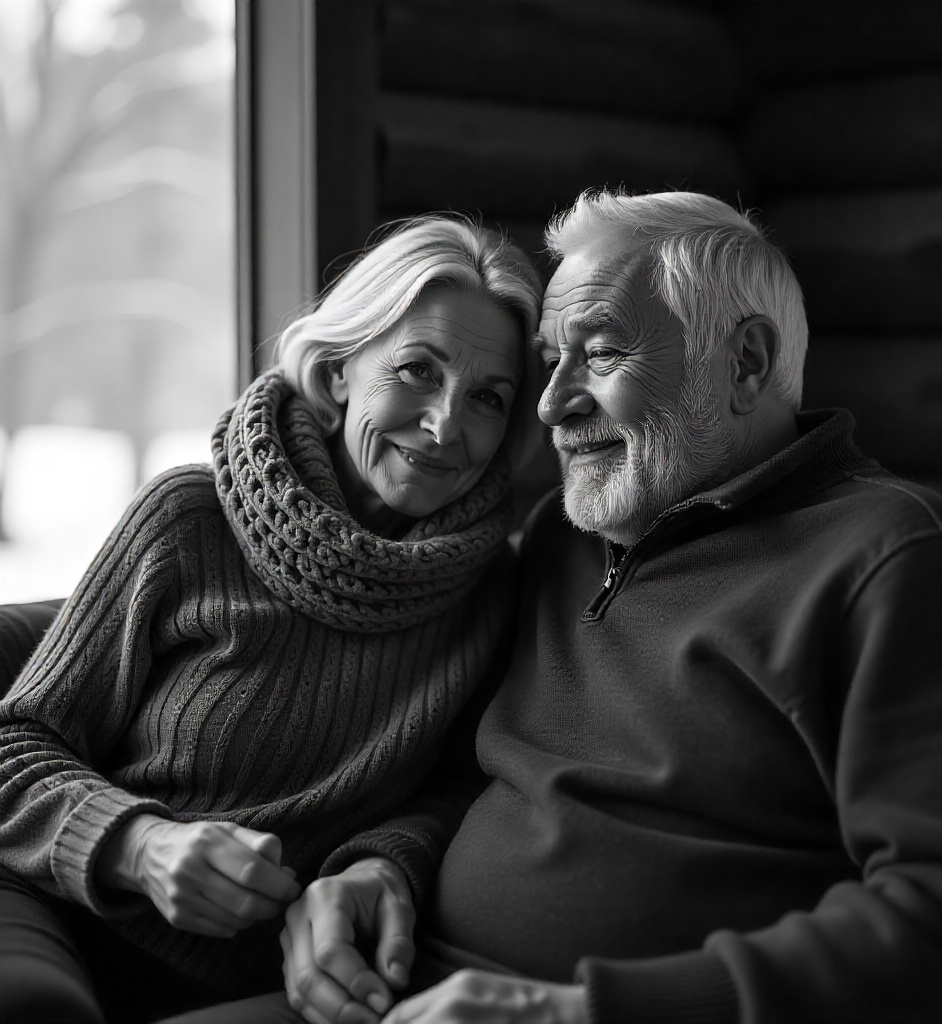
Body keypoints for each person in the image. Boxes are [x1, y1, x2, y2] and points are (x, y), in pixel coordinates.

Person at [188, 189, 942, 1024]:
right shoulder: (560, 537)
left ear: (747, 365)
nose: (551, 404)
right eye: (551, 359)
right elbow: (469, 781)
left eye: (600, 354)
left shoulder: (895, 561)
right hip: (400, 990)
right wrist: (379, 870)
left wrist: (581, 1011)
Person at [0, 214, 544, 1023]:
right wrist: (139, 847)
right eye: (417, 371)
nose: (446, 427)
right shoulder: (188, 520)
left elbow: (457, 791)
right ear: (335, 376)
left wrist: (380, 867)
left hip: (287, 983)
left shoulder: (491, 588)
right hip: (68, 922)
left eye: (489, 399)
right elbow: (15, 744)